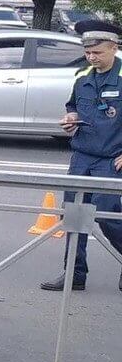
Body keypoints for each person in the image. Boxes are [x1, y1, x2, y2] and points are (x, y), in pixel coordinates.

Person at [40, 20, 122, 291]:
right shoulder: (83, 76)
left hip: (112, 159)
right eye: (88, 52)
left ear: (114, 48)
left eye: (97, 52)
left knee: (107, 215)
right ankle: (74, 274)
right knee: (74, 216)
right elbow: (73, 105)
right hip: (82, 156)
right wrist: (71, 117)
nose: (91, 57)